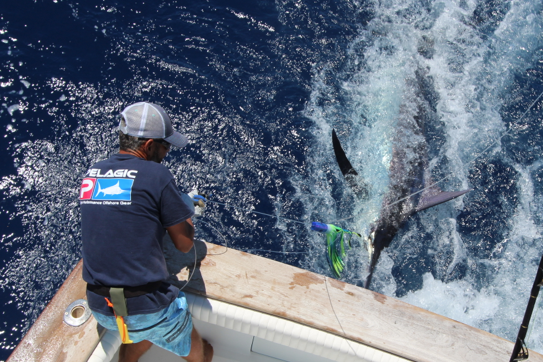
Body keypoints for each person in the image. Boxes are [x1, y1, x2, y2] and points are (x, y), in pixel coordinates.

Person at [79, 102, 213, 362]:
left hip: (101, 306)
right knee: (204, 354)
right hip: (147, 306)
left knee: (137, 337)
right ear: (149, 145)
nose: (166, 154)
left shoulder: (92, 174)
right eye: (166, 146)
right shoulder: (157, 174)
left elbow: (122, 216)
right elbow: (184, 244)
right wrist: (185, 212)